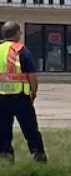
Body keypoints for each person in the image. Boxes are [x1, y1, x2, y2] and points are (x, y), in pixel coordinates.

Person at [0, 21, 46, 163]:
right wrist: (33, 93)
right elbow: (32, 76)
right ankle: (39, 158)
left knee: (3, 132)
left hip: (1, 99)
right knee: (31, 131)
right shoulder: (21, 50)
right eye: (19, 32)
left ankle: (6, 160)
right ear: (16, 34)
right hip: (21, 98)